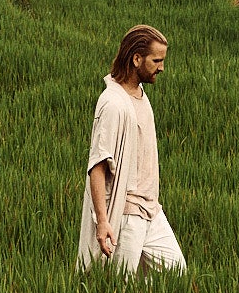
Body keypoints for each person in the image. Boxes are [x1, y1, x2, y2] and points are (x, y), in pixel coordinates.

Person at [77, 24, 187, 276]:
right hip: (127, 214)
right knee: (119, 283)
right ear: (136, 59)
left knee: (175, 272)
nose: (162, 67)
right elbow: (97, 165)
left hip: (150, 210)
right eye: (156, 60)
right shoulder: (114, 104)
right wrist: (103, 222)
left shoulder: (139, 93)